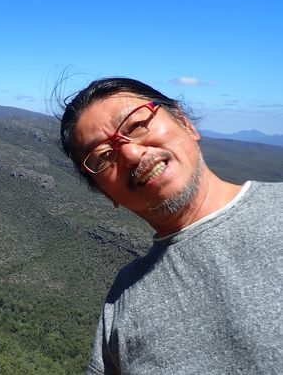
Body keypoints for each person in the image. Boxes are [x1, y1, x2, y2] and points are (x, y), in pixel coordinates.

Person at [58, 77, 283, 374]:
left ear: (185, 122)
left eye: (136, 125)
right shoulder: (120, 303)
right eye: (103, 156)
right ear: (106, 193)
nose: (131, 153)